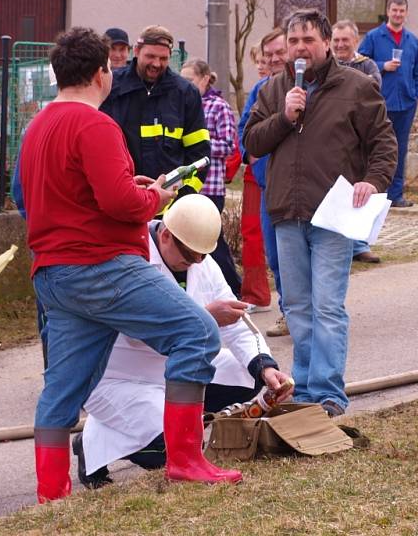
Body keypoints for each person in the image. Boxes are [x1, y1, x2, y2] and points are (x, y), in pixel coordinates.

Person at [17, 27, 242, 503]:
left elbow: (35, 195)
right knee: (197, 332)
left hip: (53, 274)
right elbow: (121, 204)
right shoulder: (96, 124)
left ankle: (50, 494)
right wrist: (153, 196)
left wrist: (127, 186)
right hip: (104, 266)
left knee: (63, 389)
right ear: (102, 73)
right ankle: (185, 460)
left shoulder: (36, 127)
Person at [73, 194, 291, 488]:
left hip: (176, 371)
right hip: (119, 379)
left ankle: (177, 419)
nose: (196, 263)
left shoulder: (201, 261)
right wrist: (206, 317)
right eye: (189, 257)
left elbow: (238, 325)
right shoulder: (129, 259)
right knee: (170, 451)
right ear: (165, 236)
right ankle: (91, 441)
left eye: (202, 257)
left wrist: (265, 367)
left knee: (250, 378)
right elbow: (139, 333)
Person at [244, 9, 397, 417]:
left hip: (333, 216)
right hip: (286, 212)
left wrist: (374, 180)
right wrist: (285, 116)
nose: (299, 48)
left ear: (326, 43)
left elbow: (384, 143)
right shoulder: (274, 90)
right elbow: (252, 142)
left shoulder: (358, 86)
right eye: (293, 41)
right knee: (296, 306)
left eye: (307, 40)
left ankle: (328, 392)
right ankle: (306, 388)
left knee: (327, 305)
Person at [100, 25, 211, 201]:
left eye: (163, 58)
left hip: (170, 207)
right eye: (150, 56)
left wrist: (184, 198)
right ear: (136, 51)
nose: (156, 64)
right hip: (121, 202)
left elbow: (199, 155)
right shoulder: (111, 88)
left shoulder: (186, 93)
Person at [239, 28, 291, 335]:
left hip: (298, 188)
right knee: (274, 254)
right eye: (268, 54)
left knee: (297, 254)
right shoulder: (259, 89)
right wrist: (249, 153)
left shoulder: (303, 90)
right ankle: (289, 310)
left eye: (278, 52)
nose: (273, 59)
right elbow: (244, 129)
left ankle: (302, 312)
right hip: (266, 187)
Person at [179, 58, 242, 298]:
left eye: (190, 80)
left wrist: (198, 145)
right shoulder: (183, 103)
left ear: (205, 79)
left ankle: (233, 289)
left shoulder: (219, 106)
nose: (186, 85)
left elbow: (228, 145)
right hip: (189, 185)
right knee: (191, 243)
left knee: (212, 242)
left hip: (211, 186)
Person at [359, 0, 418, 208]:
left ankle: (396, 195)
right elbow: (360, 64)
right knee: (377, 148)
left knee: (400, 148)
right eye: (394, 10)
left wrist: (417, 94)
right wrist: (382, 65)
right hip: (380, 103)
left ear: (406, 13)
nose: (398, 14)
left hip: (406, 103)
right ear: (388, 11)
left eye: (402, 11)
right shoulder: (373, 37)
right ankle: (376, 193)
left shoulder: (412, 40)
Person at [332, 19, 383, 264]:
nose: (340, 45)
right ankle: (339, 240)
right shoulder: (326, 67)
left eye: (345, 40)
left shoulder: (367, 65)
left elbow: (374, 88)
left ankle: (360, 244)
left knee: (361, 189)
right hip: (333, 138)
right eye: (336, 40)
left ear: (355, 41)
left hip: (360, 138)